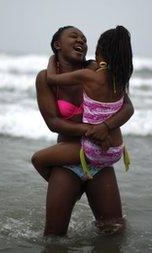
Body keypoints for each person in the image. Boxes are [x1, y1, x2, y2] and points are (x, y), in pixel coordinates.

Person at [33, 26, 134, 236]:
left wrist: (106, 126)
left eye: (84, 38)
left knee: (114, 231)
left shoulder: (96, 71)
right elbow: (52, 122)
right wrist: (91, 130)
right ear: (57, 45)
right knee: (54, 237)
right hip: (67, 162)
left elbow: (127, 107)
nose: (81, 40)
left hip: (99, 162)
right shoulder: (45, 78)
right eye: (74, 36)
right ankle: (71, 190)